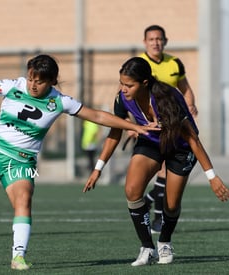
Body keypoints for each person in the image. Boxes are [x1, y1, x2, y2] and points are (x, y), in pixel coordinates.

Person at [0, 54, 158, 270]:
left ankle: (18, 256)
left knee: (23, 200)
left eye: (39, 81)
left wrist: (134, 126)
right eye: (30, 78)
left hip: (22, 162)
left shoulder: (59, 101)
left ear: (52, 82)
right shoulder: (12, 86)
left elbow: (97, 115)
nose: (32, 84)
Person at [83, 57, 229, 266]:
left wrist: (212, 177)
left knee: (170, 204)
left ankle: (165, 242)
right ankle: (147, 247)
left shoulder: (167, 98)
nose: (123, 89)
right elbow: (116, 131)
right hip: (151, 142)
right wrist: (98, 168)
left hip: (181, 148)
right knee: (132, 190)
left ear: (144, 82)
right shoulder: (123, 99)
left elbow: (192, 138)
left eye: (129, 85)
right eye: (122, 83)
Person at [140, 25, 198, 233]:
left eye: (159, 39)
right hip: (150, 127)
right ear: (145, 42)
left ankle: (155, 215)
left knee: (166, 171)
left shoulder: (174, 63)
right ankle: (150, 206)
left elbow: (185, 88)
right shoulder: (140, 64)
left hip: (172, 127)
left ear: (165, 41)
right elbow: (128, 93)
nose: (156, 42)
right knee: (160, 172)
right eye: (151, 39)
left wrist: (190, 104)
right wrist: (131, 123)